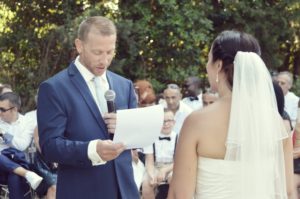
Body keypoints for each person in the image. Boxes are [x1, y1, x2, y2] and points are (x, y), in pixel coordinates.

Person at [168, 30, 293, 199]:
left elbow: (179, 195)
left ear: (218, 65)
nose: (206, 66)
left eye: (209, 59)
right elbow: (288, 192)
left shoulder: (197, 122)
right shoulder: (275, 122)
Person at [37, 16, 139, 199]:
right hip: (82, 191)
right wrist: (92, 150)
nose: (105, 60)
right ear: (79, 45)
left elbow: (137, 139)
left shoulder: (125, 85)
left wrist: (127, 126)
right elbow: (50, 146)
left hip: (126, 191)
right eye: (97, 52)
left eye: (110, 52)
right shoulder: (54, 88)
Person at [0, 92, 43, 198]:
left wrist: (3, 133)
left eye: (2, 110)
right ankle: (27, 174)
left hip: (18, 163)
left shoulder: (27, 122)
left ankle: (23, 173)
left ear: (14, 109)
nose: (0, 112)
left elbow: (22, 145)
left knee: (15, 176)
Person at [142, 108, 177, 199]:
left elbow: (178, 161)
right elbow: (149, 161)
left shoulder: (179, 137)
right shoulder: (151, 137)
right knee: (147, 184)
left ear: (174, 122)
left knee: (174, 179)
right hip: (155, 166)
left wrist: (164, 170)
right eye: (162, 121)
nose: (165, 124)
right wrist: (152, 175)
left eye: (169, 121)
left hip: (172, 166)